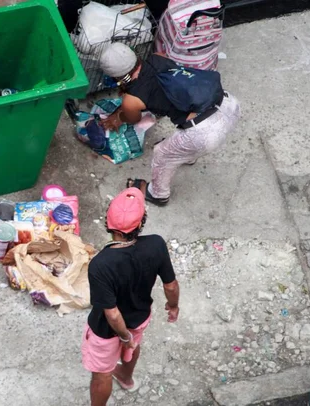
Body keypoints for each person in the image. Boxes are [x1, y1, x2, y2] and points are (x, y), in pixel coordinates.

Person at [99, 43, 241, 206]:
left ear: (116, 77)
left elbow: (133, 119)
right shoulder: (158, 57)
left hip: (205, 133)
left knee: (162, 154)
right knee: (183, 144)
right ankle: (187, 156)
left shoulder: (131, 100)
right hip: (229, 104)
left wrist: (119, 116)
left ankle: (158, 194)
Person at [81, 187, 180, 406]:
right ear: (140, 223)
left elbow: (113, 315)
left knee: (102, 373)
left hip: (106, 330)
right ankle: (126, 378)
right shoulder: (155, 244)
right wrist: (173, 307)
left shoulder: (101, 264)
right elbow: (170, 285)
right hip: (140, 317)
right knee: (133, 346)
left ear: (108, 221)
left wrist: (124, 336)